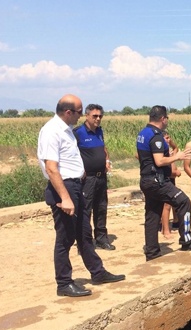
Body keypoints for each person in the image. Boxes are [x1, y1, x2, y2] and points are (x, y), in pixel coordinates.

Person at [37, 94, 124, 297]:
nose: (80, 116)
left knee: (84, 233)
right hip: (64, 189)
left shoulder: (66, 130)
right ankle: (64, 283)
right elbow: (51, 168)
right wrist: (65, 197)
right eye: (79, 112)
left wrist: (80, 172)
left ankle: (97, 272)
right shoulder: (51, 131)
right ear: (69, 112)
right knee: (65, 239)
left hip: (76, 186)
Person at [137, 105, 191, 261]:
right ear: (162, 118)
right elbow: (159, 161)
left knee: (152, 215)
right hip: (157, 181)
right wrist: (178, 156)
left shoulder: (142, 133)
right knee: (184, 202)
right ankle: (186, 241)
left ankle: (152, 252)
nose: (167, 120)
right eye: (166, 118)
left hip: (146, 180)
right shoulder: (156, 136)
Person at [73, 104, 115, 250]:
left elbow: (103, 149)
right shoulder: (78, 133)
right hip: (87, 179)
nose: (98, 119)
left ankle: (101, 239)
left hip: (101, 178)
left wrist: (107, 161)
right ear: (87, 116)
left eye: (100, 116)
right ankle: (84, 243)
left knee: (101, 208)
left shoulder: (99, 132)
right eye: (95, 116)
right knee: (85, 210)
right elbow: (70, 154)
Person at [160, 130, 181, 239]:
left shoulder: (170, 151)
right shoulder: (161, 152)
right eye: (166, 138)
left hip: (172, 180)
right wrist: (176, 172)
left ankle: (174, 222)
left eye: (169, 138)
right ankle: (166, 230)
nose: (168, 140)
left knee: (173, 202)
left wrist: (170, 142)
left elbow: (176, 148)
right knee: (166, 205)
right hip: (167, 178)